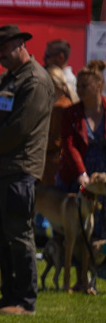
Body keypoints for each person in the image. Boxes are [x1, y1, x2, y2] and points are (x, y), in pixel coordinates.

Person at [0, 25, 54, 315]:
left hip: (18, 168)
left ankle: (25, 300)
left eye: (4, 48)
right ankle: (8, 297)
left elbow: (18, 128)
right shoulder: (8, 78)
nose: (0, 55)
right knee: (1, 235)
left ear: (20, 43)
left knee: (18, 234)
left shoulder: (35, 81)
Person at [58, 59, 106, 240]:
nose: (79, 89)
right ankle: (76, 265)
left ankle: (99, 265)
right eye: (78, 85)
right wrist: (81, 174)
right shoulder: (70, 113)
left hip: (103, 180)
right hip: (78, 176)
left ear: (98, 85)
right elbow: (69, 145)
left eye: (85, 85)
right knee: (76, 229)